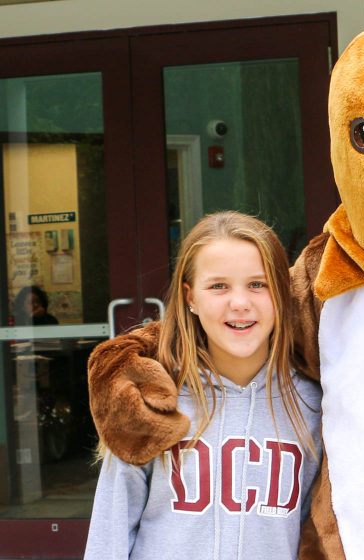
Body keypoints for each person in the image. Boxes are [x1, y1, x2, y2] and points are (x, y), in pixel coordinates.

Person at [85, 211, 321, 559]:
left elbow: (315, 533)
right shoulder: (153, 397)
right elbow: (112, 526)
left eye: (258, 284)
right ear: (190, 297)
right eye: (218, 286)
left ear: (282, 294)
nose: (240, 303)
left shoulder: (311, 406)